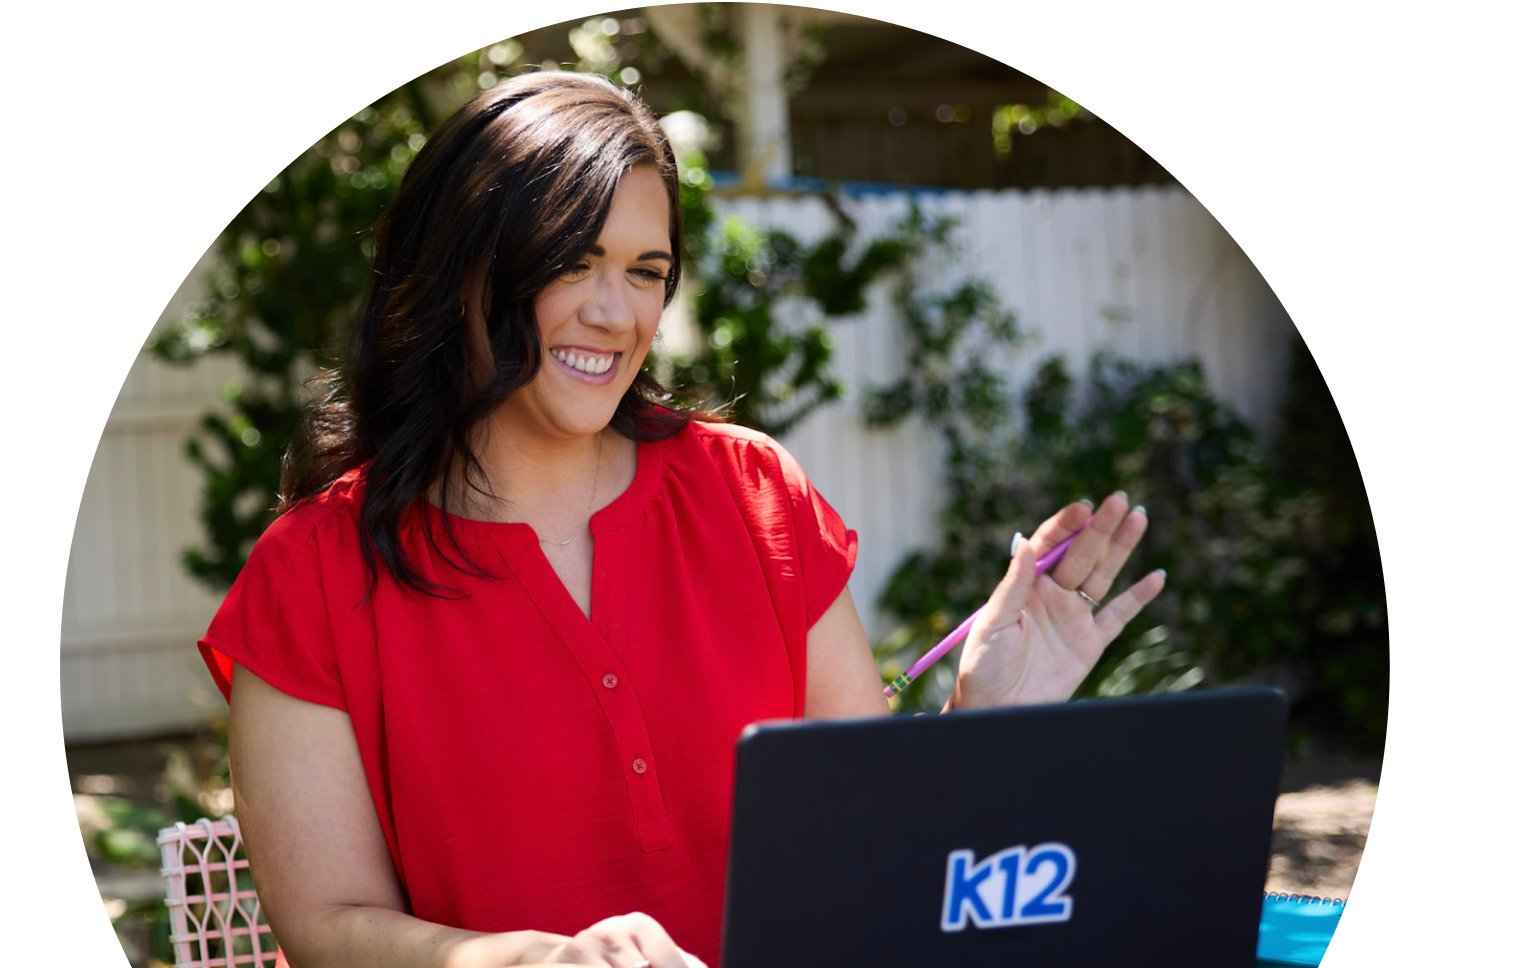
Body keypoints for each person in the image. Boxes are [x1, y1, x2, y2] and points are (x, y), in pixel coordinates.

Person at [197, 71, 1165, 968]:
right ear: (464, 271)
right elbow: (324, 925)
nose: (615, 312)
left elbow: (876, 844)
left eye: (646, 269)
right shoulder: (315, 569)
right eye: (574, 262)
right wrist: (541, 958)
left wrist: (981, 723)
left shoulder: (750, 493)